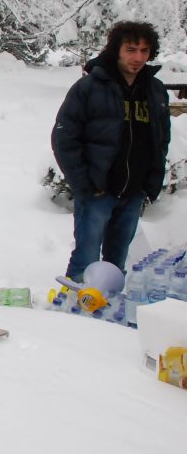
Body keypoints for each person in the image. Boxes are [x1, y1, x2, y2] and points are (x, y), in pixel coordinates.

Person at [52, 21, 170, 283]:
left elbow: (161, 139)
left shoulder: (155, 90)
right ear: (116, 50)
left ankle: (107, 311)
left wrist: (149, 183)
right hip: (98, 192)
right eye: (131, 49)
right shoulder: (89, 88)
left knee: (117, 262)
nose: (138, 57)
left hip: (133, 192)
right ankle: (71, 311)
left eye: (144, 50)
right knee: (86, 258)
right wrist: (85, 184)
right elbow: (64, 138)